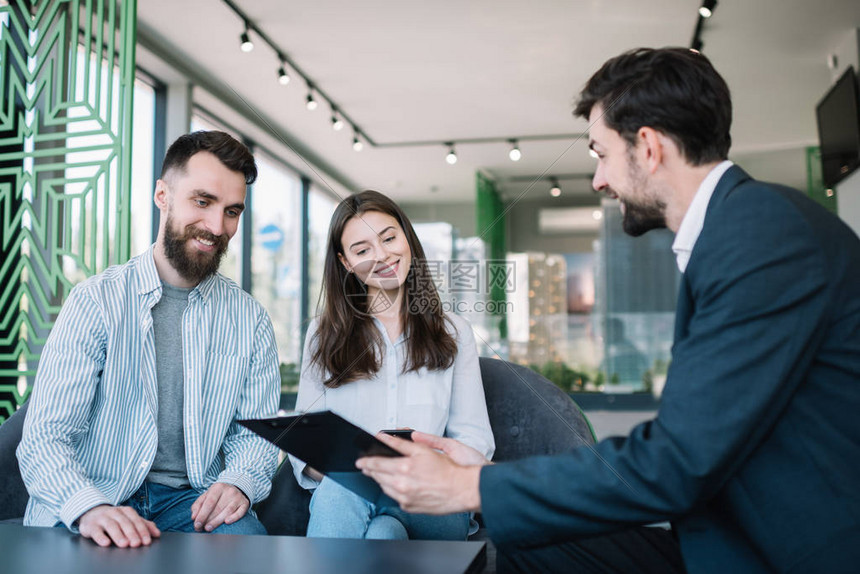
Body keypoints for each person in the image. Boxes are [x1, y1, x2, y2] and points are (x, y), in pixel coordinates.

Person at [357, 47, 860, 573]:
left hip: (784, 551)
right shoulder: (741, 227)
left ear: (647, 148)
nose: (598, 179)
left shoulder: (760, 235)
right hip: (726, 534)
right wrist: (486, 477)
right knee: (531, 544)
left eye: (600, 154)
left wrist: (476, 485)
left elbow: (676, 460)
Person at [17, 131, 281, 548]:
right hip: (98, 491)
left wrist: (239, 482)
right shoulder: (95, 302)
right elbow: (44, 439)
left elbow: (257, 435)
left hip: (193, 502)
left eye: (232, 211)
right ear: (163, 195)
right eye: (202, 201)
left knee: (249, 548)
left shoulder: (250, 320)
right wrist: (88, 506)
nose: (216, 226)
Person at [290, 189, 495, 540]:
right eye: (362, 249)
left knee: (348, 495)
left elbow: (475, 437)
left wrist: (424, 468)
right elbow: (304, 445)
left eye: (389, 238)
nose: (382, 255)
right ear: (345, 262)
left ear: (407, 237)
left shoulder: (453, 331)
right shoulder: (322, 334)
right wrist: (359, 472)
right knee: (382, 533)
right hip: (348, 494)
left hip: (432, 498)